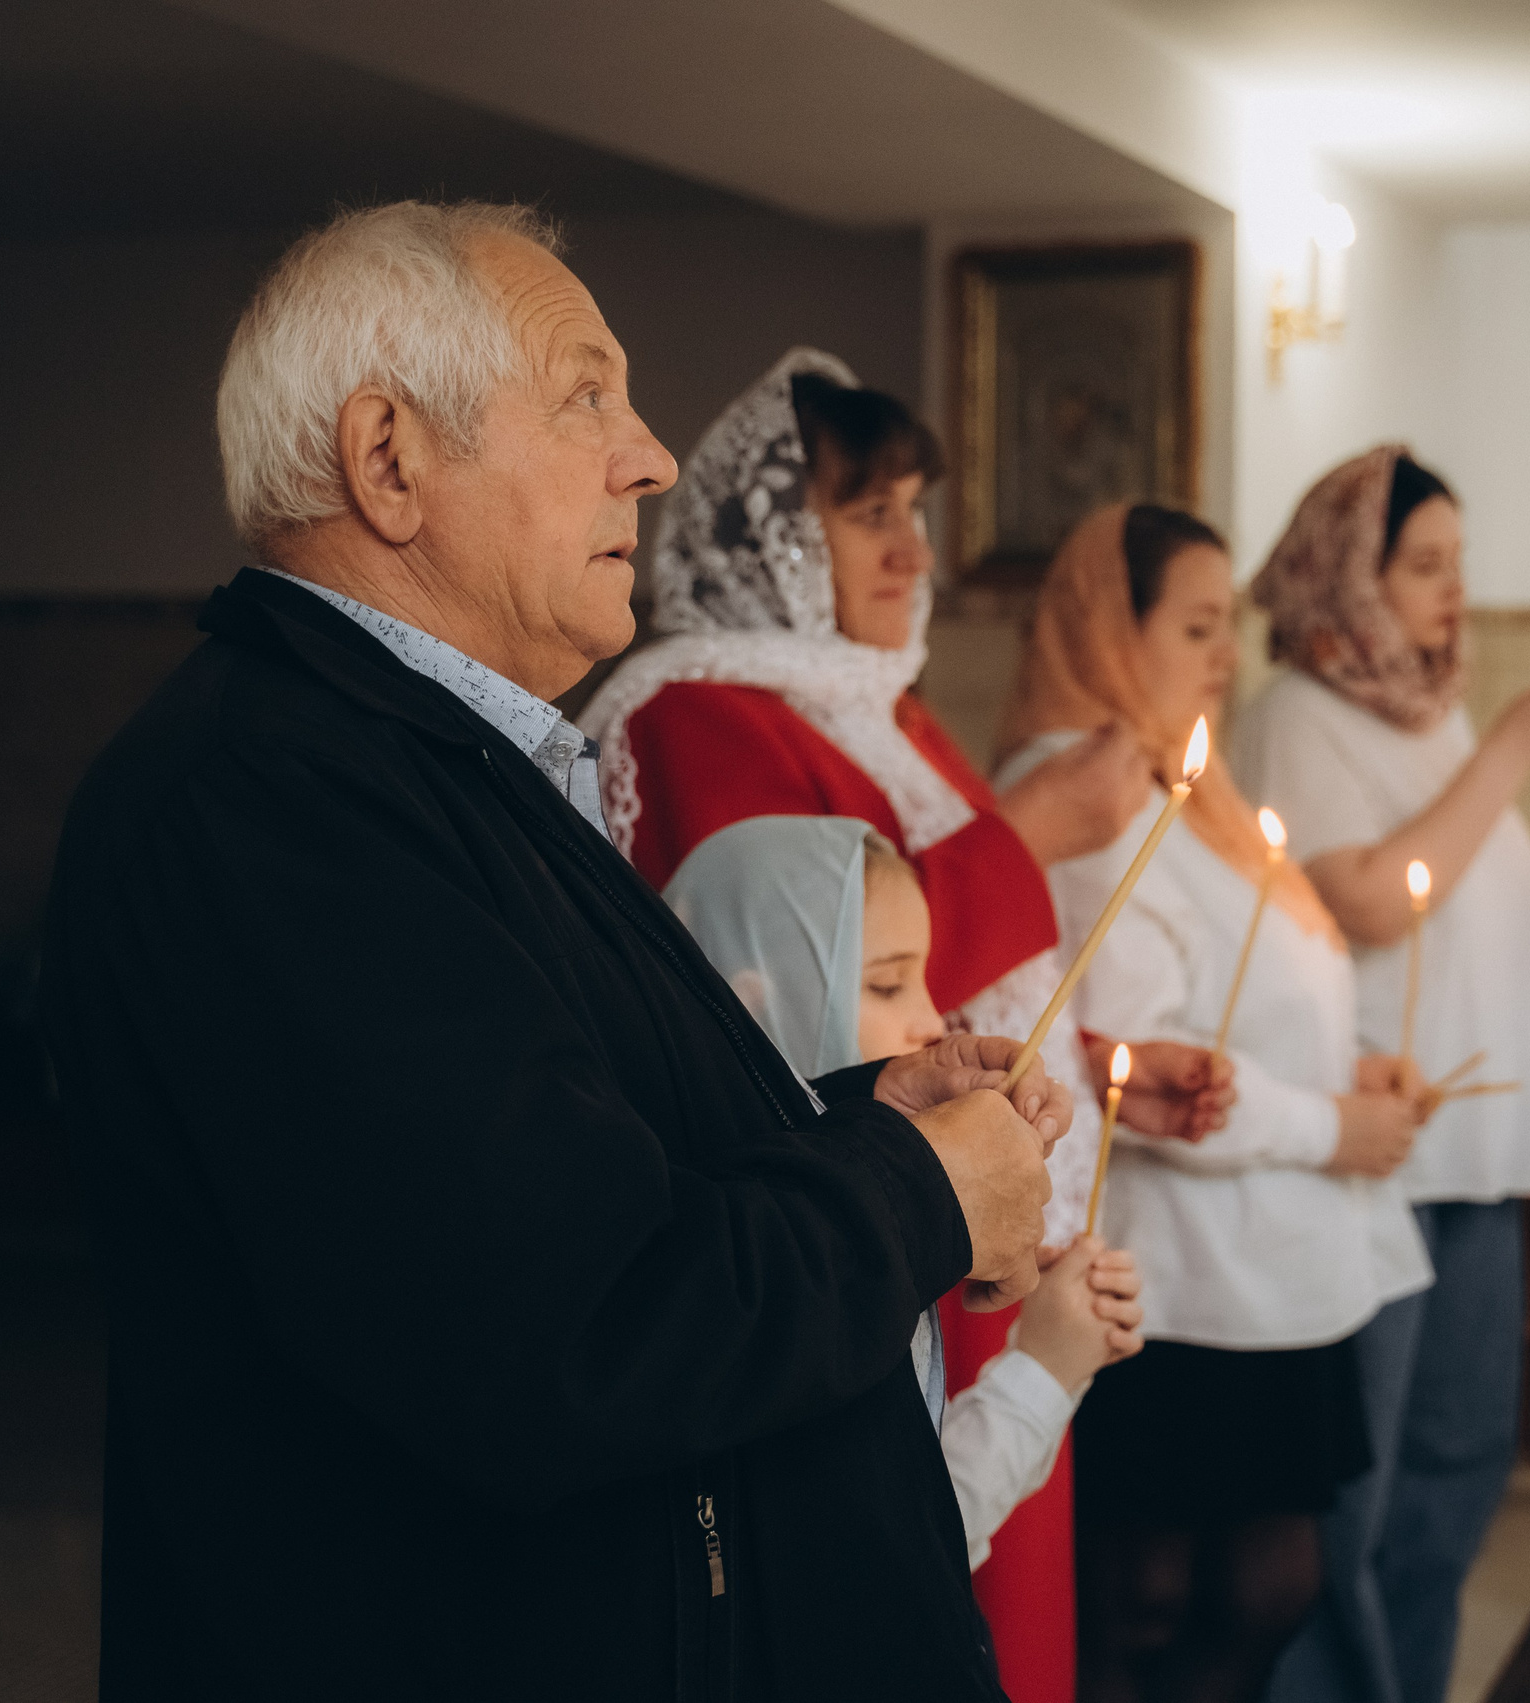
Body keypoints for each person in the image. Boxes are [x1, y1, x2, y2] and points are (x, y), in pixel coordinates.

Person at [40, 201, 1074, 1701]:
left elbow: (589, 1162)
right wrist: (912, 1197)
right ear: (390, 461)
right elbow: (569, 1326)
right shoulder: (270, 802)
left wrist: (864, 1117)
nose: (647, 454)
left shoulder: (432, 762)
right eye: (587, 392)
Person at [582, 350, 1233, 1703]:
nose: (910, 546)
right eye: (868, 510)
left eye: (916, 509)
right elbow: (798, 990)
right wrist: (1035, 831)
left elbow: (961, 987)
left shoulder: (879, 703)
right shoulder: (695, 707)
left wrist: (1108, 1071)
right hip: (874, 1220)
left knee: (1004, 1568)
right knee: (921, 1599)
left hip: (977, 1209)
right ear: (775, 528)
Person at [996, 502, 1435, 1703]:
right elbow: (1141, 1067)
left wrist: (1348, 1072)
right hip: (1179, 1278)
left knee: (1253, 1590)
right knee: (1155, 1598)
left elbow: (1249, 1009)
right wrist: (1335, 1125)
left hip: (1262, 1267)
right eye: (1195, 624)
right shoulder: (1083, 792)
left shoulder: (1182, 777)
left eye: (1225, 625)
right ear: (1108, 629)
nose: (1225, 654)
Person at [1235, 447, 1530, 1703]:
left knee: (1459, 1461)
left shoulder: (1429, 707)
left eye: (1458, 563)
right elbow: (1357, 902)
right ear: (1347, 573)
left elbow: (1445, 883)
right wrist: (1515, 747)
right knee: (1357, 1486)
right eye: (1423, 564)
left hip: (1480, 1139)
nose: (1451, 589)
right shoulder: (1293, 716)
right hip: (1379, 1143)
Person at [667, 814, 1147, 1571]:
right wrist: (1043, 1370)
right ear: (751, 1004)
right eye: (887, 982)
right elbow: (893, 1549)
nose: (931, 1018)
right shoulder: (787, 1256)